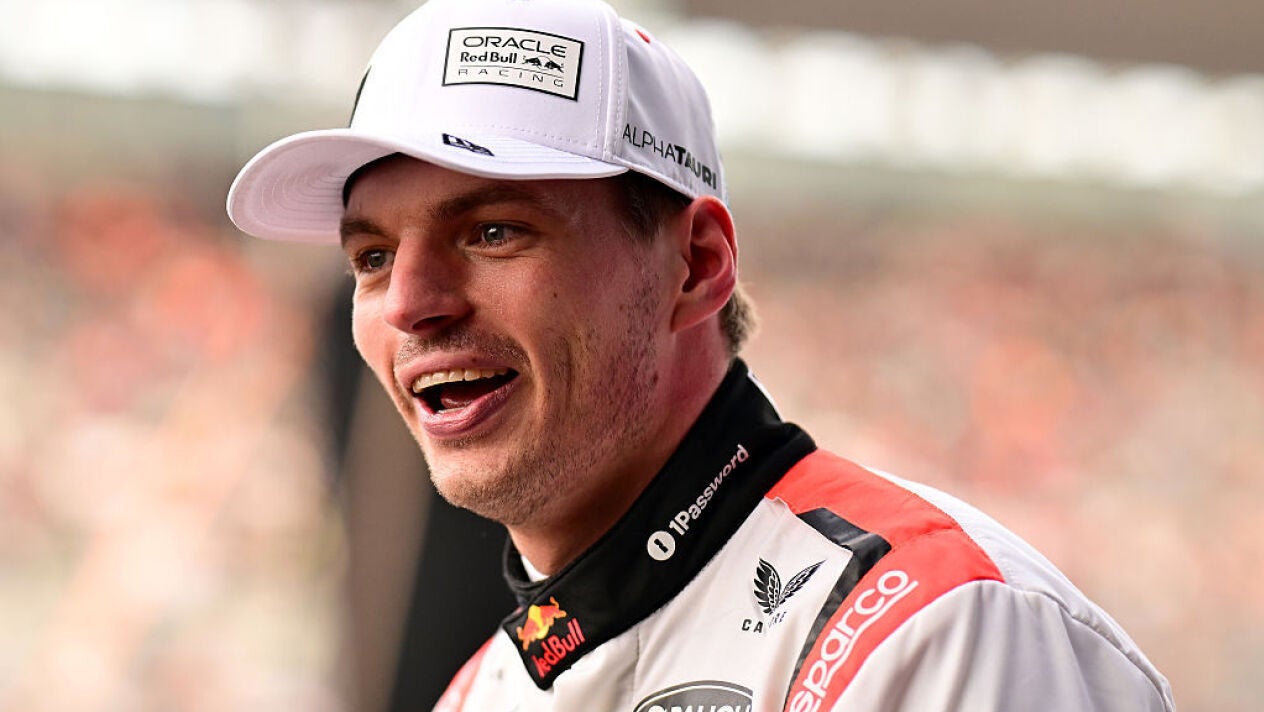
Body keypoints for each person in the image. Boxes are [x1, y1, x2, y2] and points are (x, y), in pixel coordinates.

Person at [227, 0, 1175, 709]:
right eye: (373, 257)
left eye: (495, 232)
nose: (410, 304)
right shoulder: (483, 693)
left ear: (698, 265)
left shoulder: (933, 627)